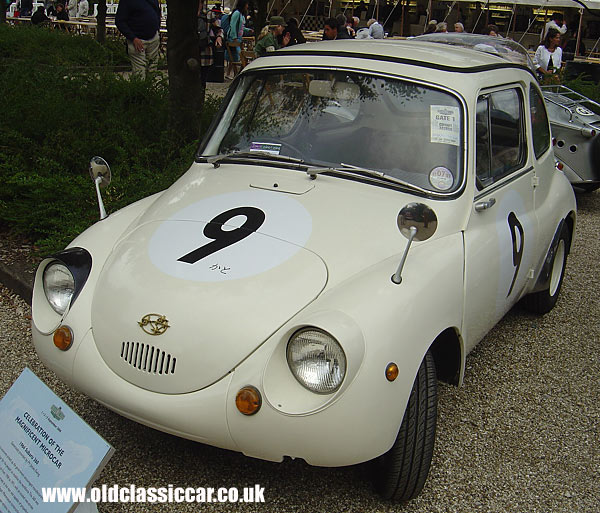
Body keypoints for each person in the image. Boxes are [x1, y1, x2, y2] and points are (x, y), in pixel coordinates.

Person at [115, 0, 161, 79]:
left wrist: (157, 30)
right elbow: (120, 21)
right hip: (137, 40)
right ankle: (140, 90)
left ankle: (151, 90)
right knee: (139, 73)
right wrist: (133, 38)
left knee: (153, 72)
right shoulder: (127, 1)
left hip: (153, 38)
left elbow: (157, 12)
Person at [198, 0, 223, 89]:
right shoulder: (186, 13)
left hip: (205, 53)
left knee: (202, 80)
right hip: (189, 51)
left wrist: (219, 37)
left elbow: (219, 29)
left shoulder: (209, 14)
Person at [225, 0, 250, 69]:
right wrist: (234, 37)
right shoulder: (236, 13)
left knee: (234, 56)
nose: (247, 6)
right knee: (238, 56)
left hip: (238, 38)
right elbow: (233, 25)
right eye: (246, 4)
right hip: (234, 38)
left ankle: (229, 72)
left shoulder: (241, 14)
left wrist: (248, 30)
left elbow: (241, 27)